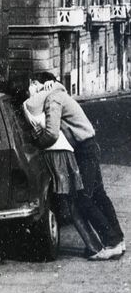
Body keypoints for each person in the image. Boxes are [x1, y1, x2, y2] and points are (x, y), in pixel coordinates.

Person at [30, 71, 125, 260]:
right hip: (89, 146)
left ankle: (111, 242)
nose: (30, 88)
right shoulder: (59, 94)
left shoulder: (52, 99)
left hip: (83, 151)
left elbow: (51, 133)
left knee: (84, 199)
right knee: (99, 195)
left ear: (42, 85)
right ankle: (117, 240)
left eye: (32, 84)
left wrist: (36, 141)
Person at [23, 81, 103, 258]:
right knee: (73, 202)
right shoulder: (46, 98)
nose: (35, 85)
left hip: (56, 155)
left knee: (74, 203)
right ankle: (96, 244)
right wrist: (50, 86)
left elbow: (49, 133)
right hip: (62, 153)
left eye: (36, 83)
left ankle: (96, 246)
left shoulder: (32, 103)